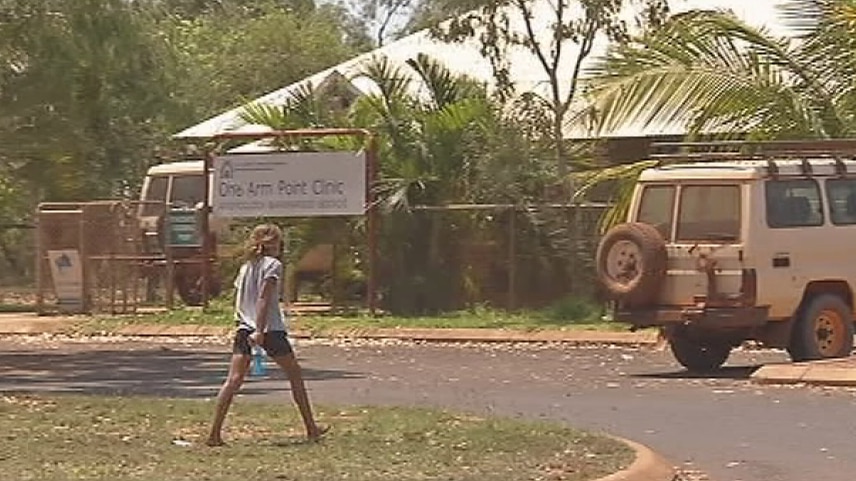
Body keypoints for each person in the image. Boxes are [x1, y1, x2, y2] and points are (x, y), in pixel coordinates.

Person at [206, 223, 326, 446]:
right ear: (275, 244)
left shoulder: (246, 267)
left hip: (244, 327)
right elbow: (263, 298)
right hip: (268, 329)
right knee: (295, 375)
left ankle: (214, 434)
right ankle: (311, 429)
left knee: (233, 380)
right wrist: (260, 330)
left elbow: (241, 298)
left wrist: (243, 324)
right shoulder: (273, 265)